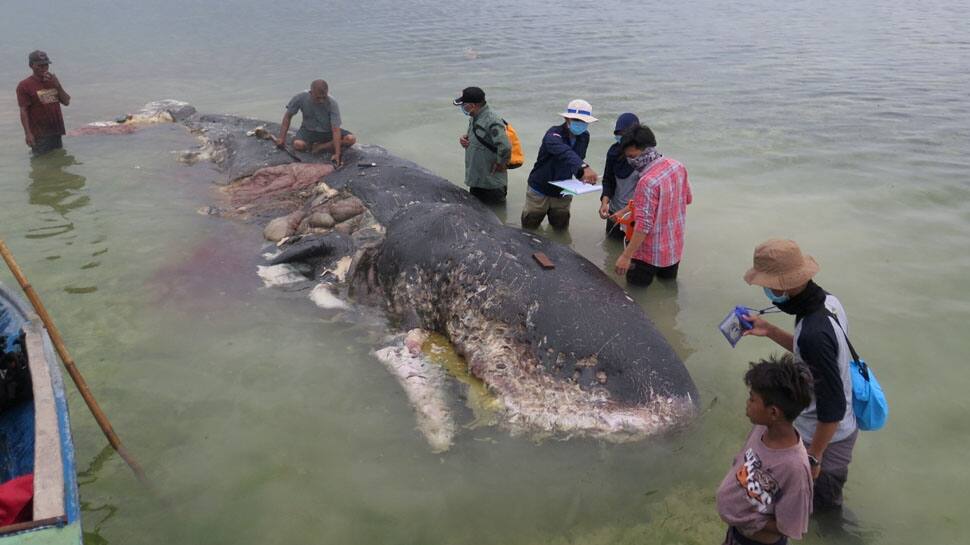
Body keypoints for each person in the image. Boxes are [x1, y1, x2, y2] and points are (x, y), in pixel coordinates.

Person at [741, 239, 859, 512]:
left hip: (827, 438)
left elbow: (833, 408)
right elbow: (814, 355)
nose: (766, 291)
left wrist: (814, 457)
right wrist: (769, 330)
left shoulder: (813, 334)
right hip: (835, 429)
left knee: (822, 514)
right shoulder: (828, 302)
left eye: (766, 285)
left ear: (780, 285)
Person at [716, 354, 814, 545]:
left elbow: (791, 526)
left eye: (752, 399)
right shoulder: (761, 428)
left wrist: (748, 517)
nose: (747, 403)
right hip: (737, 534)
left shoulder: (794, 468)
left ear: (773, 412)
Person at [613, 126, 691, 287]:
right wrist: (627, 209)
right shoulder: (677, 166)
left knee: (635, 295)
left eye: (632, 156)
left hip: (647, 254)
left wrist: (626, 256)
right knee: (668, 290)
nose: (630, 161)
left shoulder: (647, 182)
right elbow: (687, 199)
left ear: (647, 150)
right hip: (673, 248)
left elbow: (644, 225)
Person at [521, 99, 599, 229]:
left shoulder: (584, 136)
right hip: (539, 189)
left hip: (563, 191)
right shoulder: (553, 134)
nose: (581, 124)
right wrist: (584, 167)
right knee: (529, 228)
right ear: (567, 119)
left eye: (584, 121)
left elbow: (576, 159)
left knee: (561, 228)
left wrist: (582, 175)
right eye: (577, 120)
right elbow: (564, 152)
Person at [277, 79, 356, 166]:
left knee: (351, 139)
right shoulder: (300, 97)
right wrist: (281, 138)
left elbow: (336, 129)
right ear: (311, 93)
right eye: (318, 98)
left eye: (324, 97)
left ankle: (321, 146)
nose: (321, 100)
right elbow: (288, 116)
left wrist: (337, 154)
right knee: (298, 145)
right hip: (308, 130)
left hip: (328, 131)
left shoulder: (332, 103)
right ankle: (312, 146)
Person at [454, 87, 511, 204]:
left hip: (491, 184)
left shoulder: (492, 120)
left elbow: (505, 146)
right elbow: (482, 137)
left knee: (494, 217)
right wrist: (465, 139)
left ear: (473, 105)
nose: (462, 107)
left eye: (464, 104)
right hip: (477, 179)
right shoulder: (475, 117)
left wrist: (501, 163)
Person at [16, 50, 70, 155]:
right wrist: (28, 134)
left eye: (46, 65)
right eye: (39, 66)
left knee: (58, 163)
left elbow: (66, 101)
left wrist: (58, 85)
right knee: (41, 165)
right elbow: (23, 111)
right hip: (39, 134)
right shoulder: (24, 85)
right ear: (31, 65)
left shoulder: (52, 81)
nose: (43, 68)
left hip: (56, 131)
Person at [599, 112, 640, 239]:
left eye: (624, 134)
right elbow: (608, 179)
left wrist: (625, 211)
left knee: (631, 251)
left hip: (635, 214)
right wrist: (604, 203)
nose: (620, 138)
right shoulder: (613, 152)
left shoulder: (644, 157)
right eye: (618, 134)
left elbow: (644, 195)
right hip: (614, 211)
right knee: (611, 247)